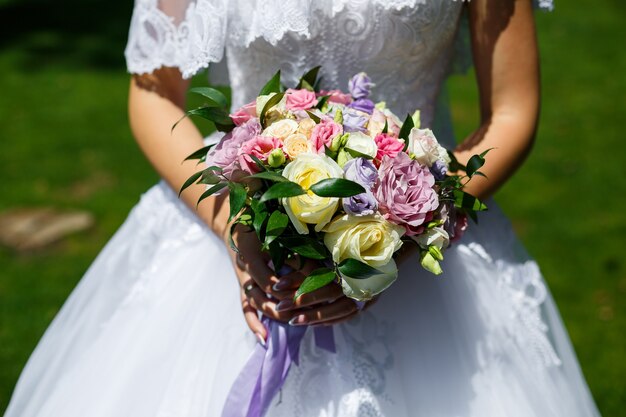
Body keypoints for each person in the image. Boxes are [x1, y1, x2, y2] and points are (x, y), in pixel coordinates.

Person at [4, 0, 601, 416]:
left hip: (424, 258)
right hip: (227, 240)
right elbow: (154, 92)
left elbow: (512, 112)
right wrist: (232, 221)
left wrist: (400, 234)